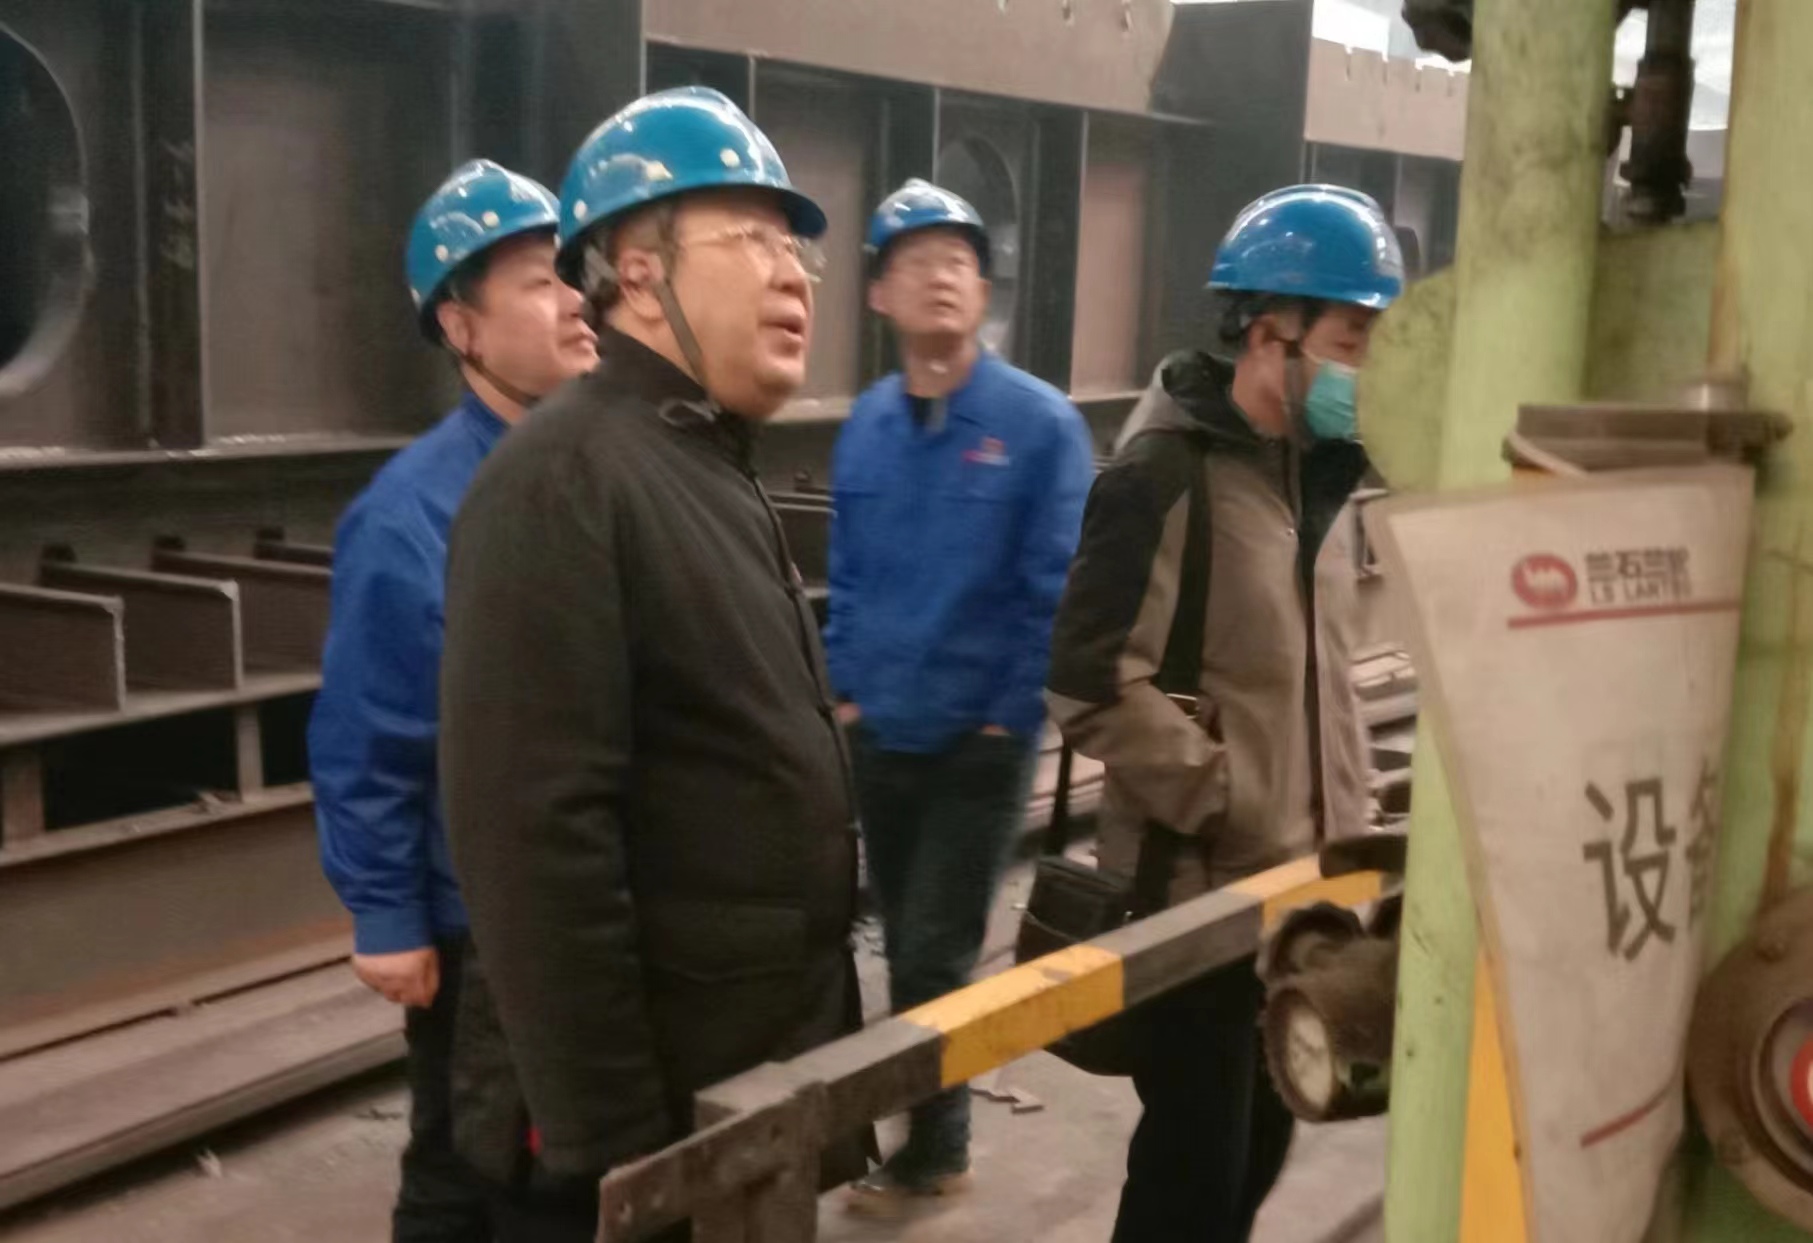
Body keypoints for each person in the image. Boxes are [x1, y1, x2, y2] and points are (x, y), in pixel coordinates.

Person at [436, 86, 869, 1242]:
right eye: (754, 240)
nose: (794, 277)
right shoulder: (563, 479)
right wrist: (621, 1153)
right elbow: (534, 840)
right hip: (651, 1140)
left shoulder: (699, 459)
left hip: (742, 1095)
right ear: (637, 271)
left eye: (797, 252)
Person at [1044, 184, 1402, 1243]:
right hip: (1198, 901)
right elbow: (1087, 679)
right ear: (1268, 332)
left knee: (1257, 1155)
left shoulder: (1314, 484)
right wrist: (1224, 793)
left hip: (1303, 903)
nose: (1366, 368)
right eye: (1350, 341)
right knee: (1191, 1183)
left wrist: (1351, 807)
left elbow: (1314, 679)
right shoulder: (1162, 475)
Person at [309, 158, 596, 1243]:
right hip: (484, 926)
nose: (573, 299)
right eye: (537, 281)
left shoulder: (612, 467)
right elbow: (370, 736)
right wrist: (387, 915)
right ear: (461, 328)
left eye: (573, 274)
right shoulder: (409, 516)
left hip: (586, 904)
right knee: (475, 1162)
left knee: (534, 1160)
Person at [825, 179, 1093, 1211]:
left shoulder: (1038, 425)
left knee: (932, 954)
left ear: (982, 289)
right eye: (915, 261)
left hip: (977, 744)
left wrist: (1005, 714)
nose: (940, 276)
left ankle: (935, 1150)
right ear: (878, 293)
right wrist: (848, 691)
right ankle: (925, 1130)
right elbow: (847, 572)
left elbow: (1053, 586)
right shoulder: (866, 425)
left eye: (959, 261)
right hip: (882, 730)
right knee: (904, 940)